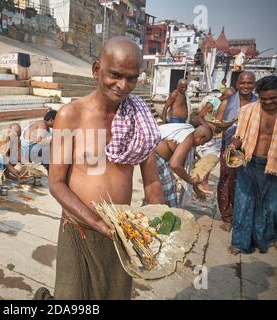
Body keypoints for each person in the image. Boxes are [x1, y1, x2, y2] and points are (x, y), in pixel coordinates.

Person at [43, 37, 164, 300]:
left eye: (131, 78)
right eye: (115, 75)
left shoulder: (139, 120)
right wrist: (98, 223)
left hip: (122, 233)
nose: (123, 86)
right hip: (79, 229)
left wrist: (158, 222)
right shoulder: (71, 115)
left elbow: (152, 183)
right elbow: (56, 184)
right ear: (97, 70)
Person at [226, 75, 277, 254]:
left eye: (273, 98)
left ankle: (264, 240)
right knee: (243, 203)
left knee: (270, 207)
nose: (268, 102)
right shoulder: (248, 111)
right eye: (264, 99)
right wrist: (233, 145)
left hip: (273, 167)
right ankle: (239, 243)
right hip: (249, 162)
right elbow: (238, 136)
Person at [216, 72, 257, 231]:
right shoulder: (227, 103)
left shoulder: (259, 104)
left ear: (254, 84)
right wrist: (221, 126)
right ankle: (228, 216)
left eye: (249, 83)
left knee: (246, 184)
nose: (246, 86)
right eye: (242, 83)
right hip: (230, 148)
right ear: (237, 84)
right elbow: (217, 126)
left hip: (250, 149)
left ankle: (244, 215)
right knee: (227, 181)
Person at [155, 124, 212, 207]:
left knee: (160, 189)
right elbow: (175, 164)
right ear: (201, 137)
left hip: (157, 157)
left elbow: (187, 168)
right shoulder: (189, 139)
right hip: (155, 156)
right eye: (204, 142)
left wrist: (195, 188)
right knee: (168, 188)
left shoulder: (191, 138)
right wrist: (190, 180)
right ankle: (166, 210)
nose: (202, 145)